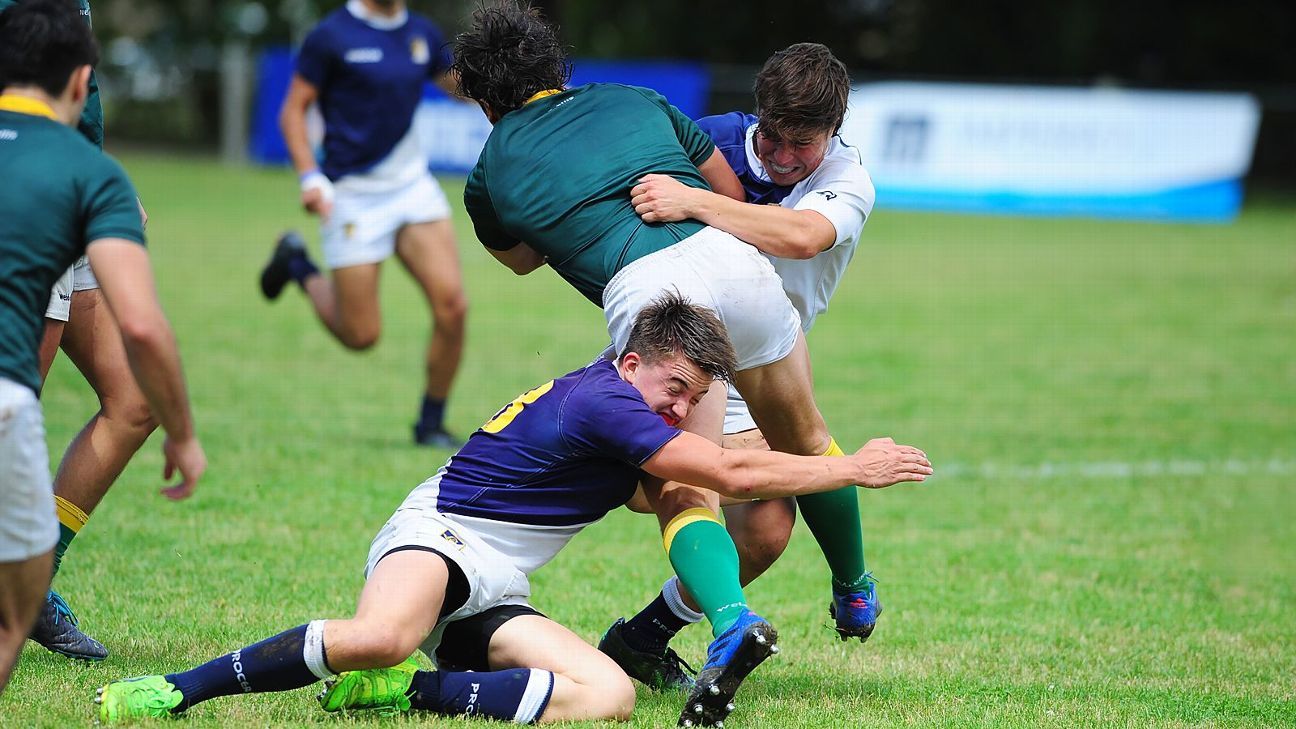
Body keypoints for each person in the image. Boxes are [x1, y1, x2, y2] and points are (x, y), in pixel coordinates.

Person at [94, 292, 930, 725]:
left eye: (694, 397)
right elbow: (722, 475)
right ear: (632, 359)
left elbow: (683, 484)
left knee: (606, 696)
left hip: (494, 584)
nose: (680, 408)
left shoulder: (623, 408)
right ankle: (173, 690)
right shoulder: (607, 402)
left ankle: (401, 698)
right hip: (439, 537)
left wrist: (764, 466)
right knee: (381, 634)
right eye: (675, 389)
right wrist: (845, 464)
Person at [452, 5, 919, 724]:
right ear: (557, 68)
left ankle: (731, 621)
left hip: (657, 297)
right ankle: (848, 584)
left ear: (484, 101)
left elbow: (520, 257)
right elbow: (729, 198)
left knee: (679, 483)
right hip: (738, 270)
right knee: (803, 442)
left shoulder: (488, 175)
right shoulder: (638, 100)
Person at [600, 43, 883, 690]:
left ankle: (643, 636)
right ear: (758, 116)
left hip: (771, 352)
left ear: (833, 130)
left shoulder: (847, 175)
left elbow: (802, 236)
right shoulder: (708, 144)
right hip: (691, 349)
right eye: (775, 139)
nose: (785, 159)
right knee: (680, 490)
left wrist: (697, 203)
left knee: (765, 532)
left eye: (802, 145)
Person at [0, 0, 206, 695]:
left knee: (133, 399)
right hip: (37, 194)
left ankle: (33, 582)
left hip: (75, 178)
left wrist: (99, 181)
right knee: (11, 403)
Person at [258, 0, 468, 448]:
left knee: (453, 307)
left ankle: (430, 422)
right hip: (352, 194)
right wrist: (310, 176)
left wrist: (520, 87)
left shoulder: (422, 33)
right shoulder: (332, 35)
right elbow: (293, 111)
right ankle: (296, 262)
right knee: (361, 335)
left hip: (412, 187)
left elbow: (456, 85)